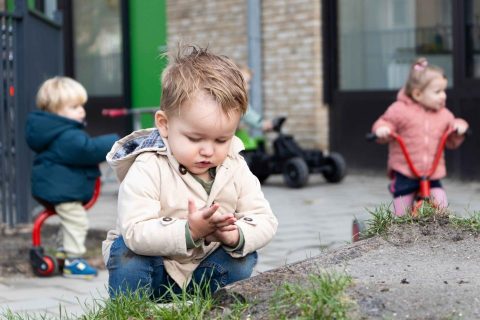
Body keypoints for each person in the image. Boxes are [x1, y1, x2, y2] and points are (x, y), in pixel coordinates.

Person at [103, 45, 278, 300]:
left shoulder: (234, 166)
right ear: (164, 124)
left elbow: (265, 219)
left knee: (244, 255)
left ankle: (213, 304)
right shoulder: (148, 166)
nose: (208, 151)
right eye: (195, 138)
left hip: (204, 269)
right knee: (126, 252)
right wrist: (190, 231)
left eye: (221, 140)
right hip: (156, 270)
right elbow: (135, 230)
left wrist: (236, 235)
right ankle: (133, 310)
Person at [26, 76, 118, 279]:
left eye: (81, 106)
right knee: (76, 220)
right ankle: (73, 261)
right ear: (56, 111)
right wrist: (113, 141)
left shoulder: (57, 132)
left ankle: (63, 252)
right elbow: (88, 150)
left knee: (70, 219)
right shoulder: (67, 135)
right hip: (60, 190)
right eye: (74, 106)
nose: (82, 111)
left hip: (55, 187)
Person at [372, 57, 468, 216]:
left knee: (441, 205)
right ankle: (401, 232)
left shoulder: (443, 114)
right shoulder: (400, 110)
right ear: (417, 93)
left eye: (444, 90)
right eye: (437, 92)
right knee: (402, 214)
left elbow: (451, 138)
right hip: (405, 172)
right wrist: (382, 129)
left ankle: (440, 232)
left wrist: (459, 127)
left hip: (432, 173)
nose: (443, 96)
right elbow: (385, 122)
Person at [238, 64, 273, 132]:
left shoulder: (240, 100)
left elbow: (248, 112)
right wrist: (263, 124)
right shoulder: (235, 101)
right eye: (246, 83)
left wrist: (262, 123)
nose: (248, 87)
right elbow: (248, 114)